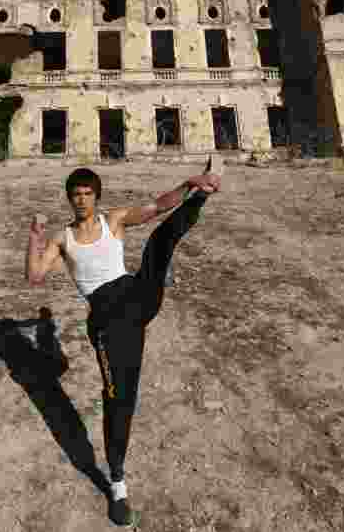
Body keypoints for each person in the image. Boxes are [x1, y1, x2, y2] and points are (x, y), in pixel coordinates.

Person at [25, 157, 223, 526]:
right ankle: (117, 483)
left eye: (88, 193)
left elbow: (156, 207)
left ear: (96, 197)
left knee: (160, 240)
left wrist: (189, 183)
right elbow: (35, 275)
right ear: (69, 199)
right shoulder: (62, 239)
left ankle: (204, 193)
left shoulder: (112, 219)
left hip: (137, 296)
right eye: (76, 194)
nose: (82, 199)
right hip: (107, 323)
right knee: (121, 400)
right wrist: (35, 238)